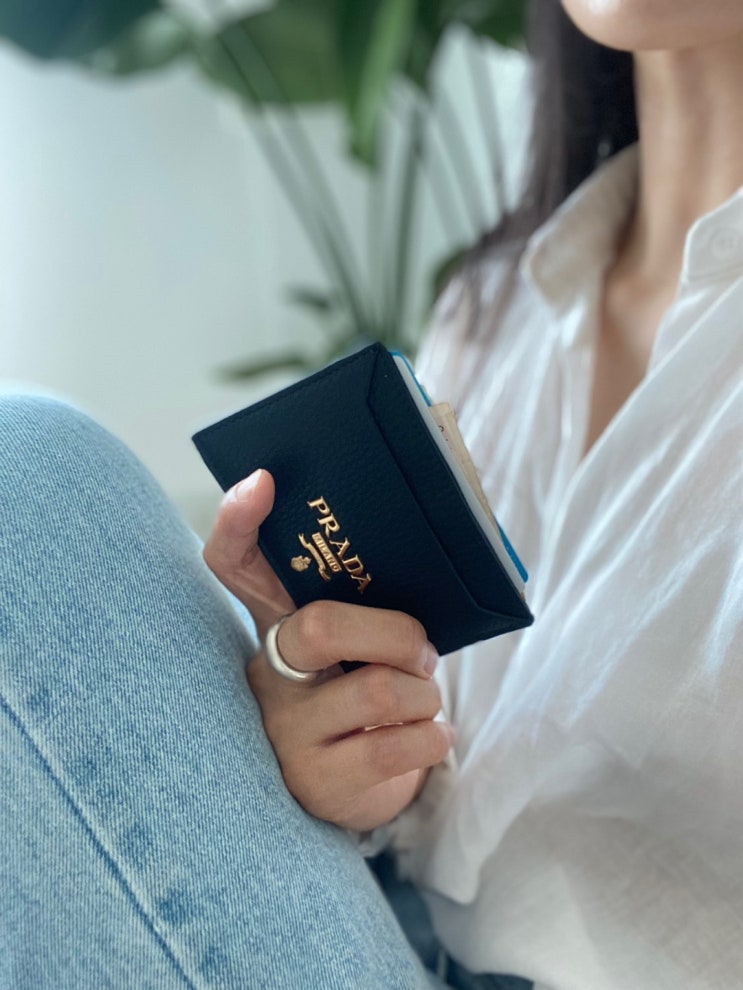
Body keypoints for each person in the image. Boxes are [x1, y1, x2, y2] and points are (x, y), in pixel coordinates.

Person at [2, 0, 741, 987]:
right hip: (399, 941)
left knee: (31, 467)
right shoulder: (490, 313)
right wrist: (356, 750)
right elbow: (429, 813)